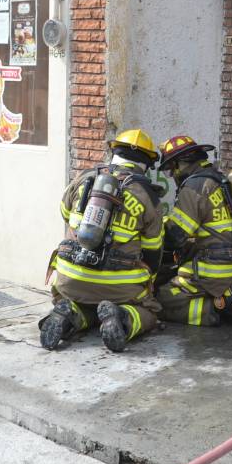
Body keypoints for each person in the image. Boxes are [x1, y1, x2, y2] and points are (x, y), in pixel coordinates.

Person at [38, 128, 164, 353]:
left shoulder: (84, 178)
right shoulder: (147, 196)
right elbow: (153, 251)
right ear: (147, 164)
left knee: (84, 302)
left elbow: (65, 213)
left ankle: (69, 315)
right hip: (120, 287)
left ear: (114, 152)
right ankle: (123, 317)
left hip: (70, 278)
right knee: (150, 311)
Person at [155, 135, 232, 329]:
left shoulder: (193, 187)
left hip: (212, 269)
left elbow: (176, 237)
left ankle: (218, 309)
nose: (172, 176)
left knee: (159, 299)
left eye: (170, 170)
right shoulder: (219, 179)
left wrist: (155, 227)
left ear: (178, 165)